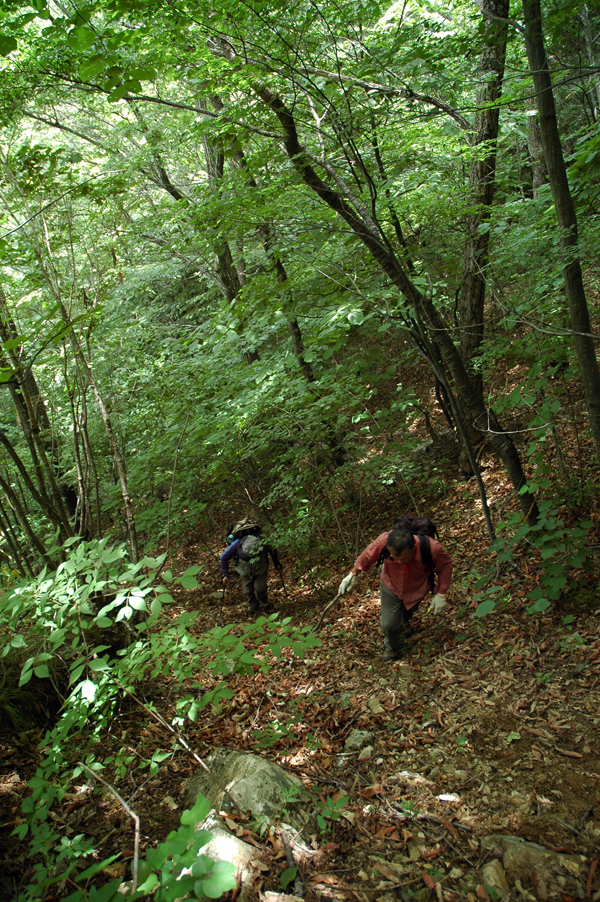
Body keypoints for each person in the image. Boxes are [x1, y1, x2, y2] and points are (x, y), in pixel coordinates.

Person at [338, 527, 452, 662]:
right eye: (394, 558)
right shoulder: (384, 542)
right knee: (389, 624)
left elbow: (445, 566)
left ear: (414, 547)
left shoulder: (432, 548)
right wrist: (352, 574)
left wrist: (441, 593)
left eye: (403, 558)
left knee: (406, 614)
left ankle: (399, 629)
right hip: (391, 585)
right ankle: (392, 648)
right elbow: (367, 555)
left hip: (417, 588)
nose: (399, 562)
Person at [220, 518, 282, 616]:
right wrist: (225, 575)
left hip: (260, 567)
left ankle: (264, 601)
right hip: (244, 569)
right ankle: (253, 607)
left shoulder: (262, 539)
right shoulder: (237, 543)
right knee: (248, 589)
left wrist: (277, 563)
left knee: (260, 587)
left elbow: (272, 548)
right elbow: (224, 557)